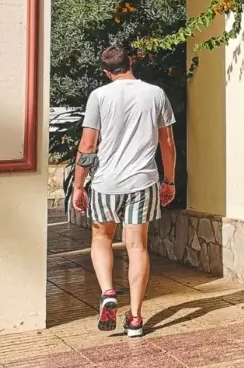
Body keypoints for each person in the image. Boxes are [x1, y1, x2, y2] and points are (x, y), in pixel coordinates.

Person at [72, 45, 176, 338]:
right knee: (137, 247)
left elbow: (88, 146)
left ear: (106, 72)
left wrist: (79, 185)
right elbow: (166, 141)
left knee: (102, 237)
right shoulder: (155, 93)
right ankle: (136, 319)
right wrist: (169, 180)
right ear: (131, 63)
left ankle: (108, 292)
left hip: (106, 182)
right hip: (143, 181)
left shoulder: (99, 96)